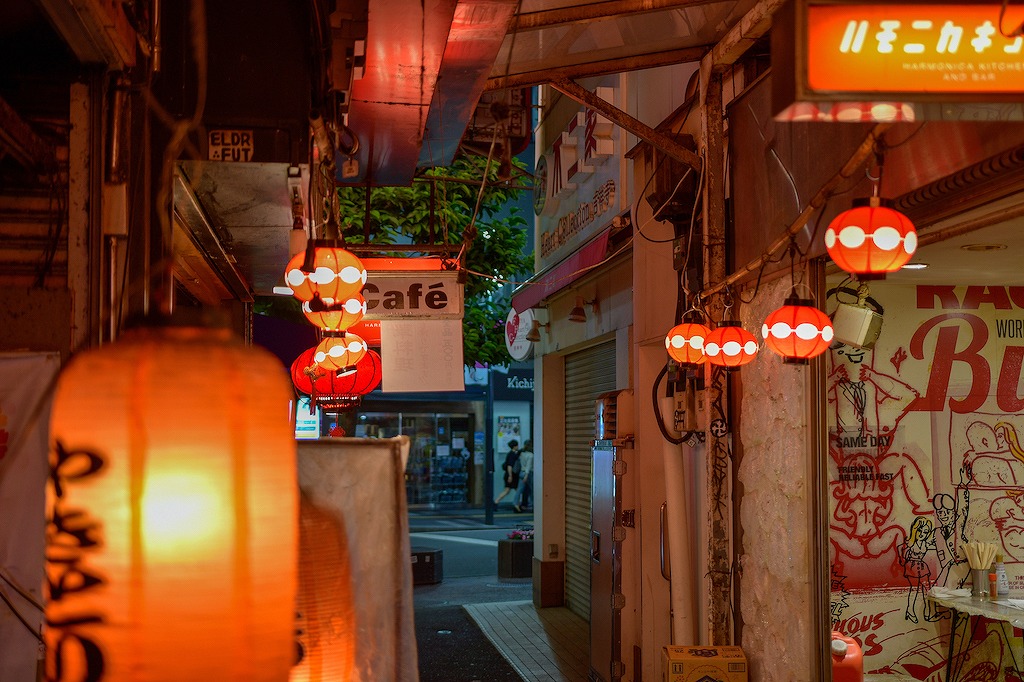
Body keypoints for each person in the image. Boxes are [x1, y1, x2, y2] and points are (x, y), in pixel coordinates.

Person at [494, 440, 521, 506]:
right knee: (511, 490)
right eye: (517, 445)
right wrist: (510, 475)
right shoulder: (512, 455)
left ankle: (496, 501)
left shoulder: (511, 454)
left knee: (509, 490)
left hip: (511, 475)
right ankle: (496, 501)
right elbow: (510, 466)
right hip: (512, 475)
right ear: (514, 446)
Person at [513, 440, 534, 513]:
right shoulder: (531, 455)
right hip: (528, 474)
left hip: (521, 472)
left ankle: (515, 504)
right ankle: (533, 504)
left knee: (519, 490)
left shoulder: (521, 454)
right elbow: (528, 466)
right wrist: (526, 475)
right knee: (533, 490)